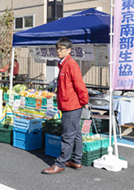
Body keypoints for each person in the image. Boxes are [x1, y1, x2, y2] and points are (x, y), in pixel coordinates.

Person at [42, 37, 89, 175]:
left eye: (61, 48)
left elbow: (80, 84)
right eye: (57, 48)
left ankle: (60, 163)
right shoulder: (63, 64)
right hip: (69, 104)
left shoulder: (71, 64)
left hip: (71, 105)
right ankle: (76, 160)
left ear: (69, 50)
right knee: (76, 134)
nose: (58, 51)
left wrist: (84, 100)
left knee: (68, 135)